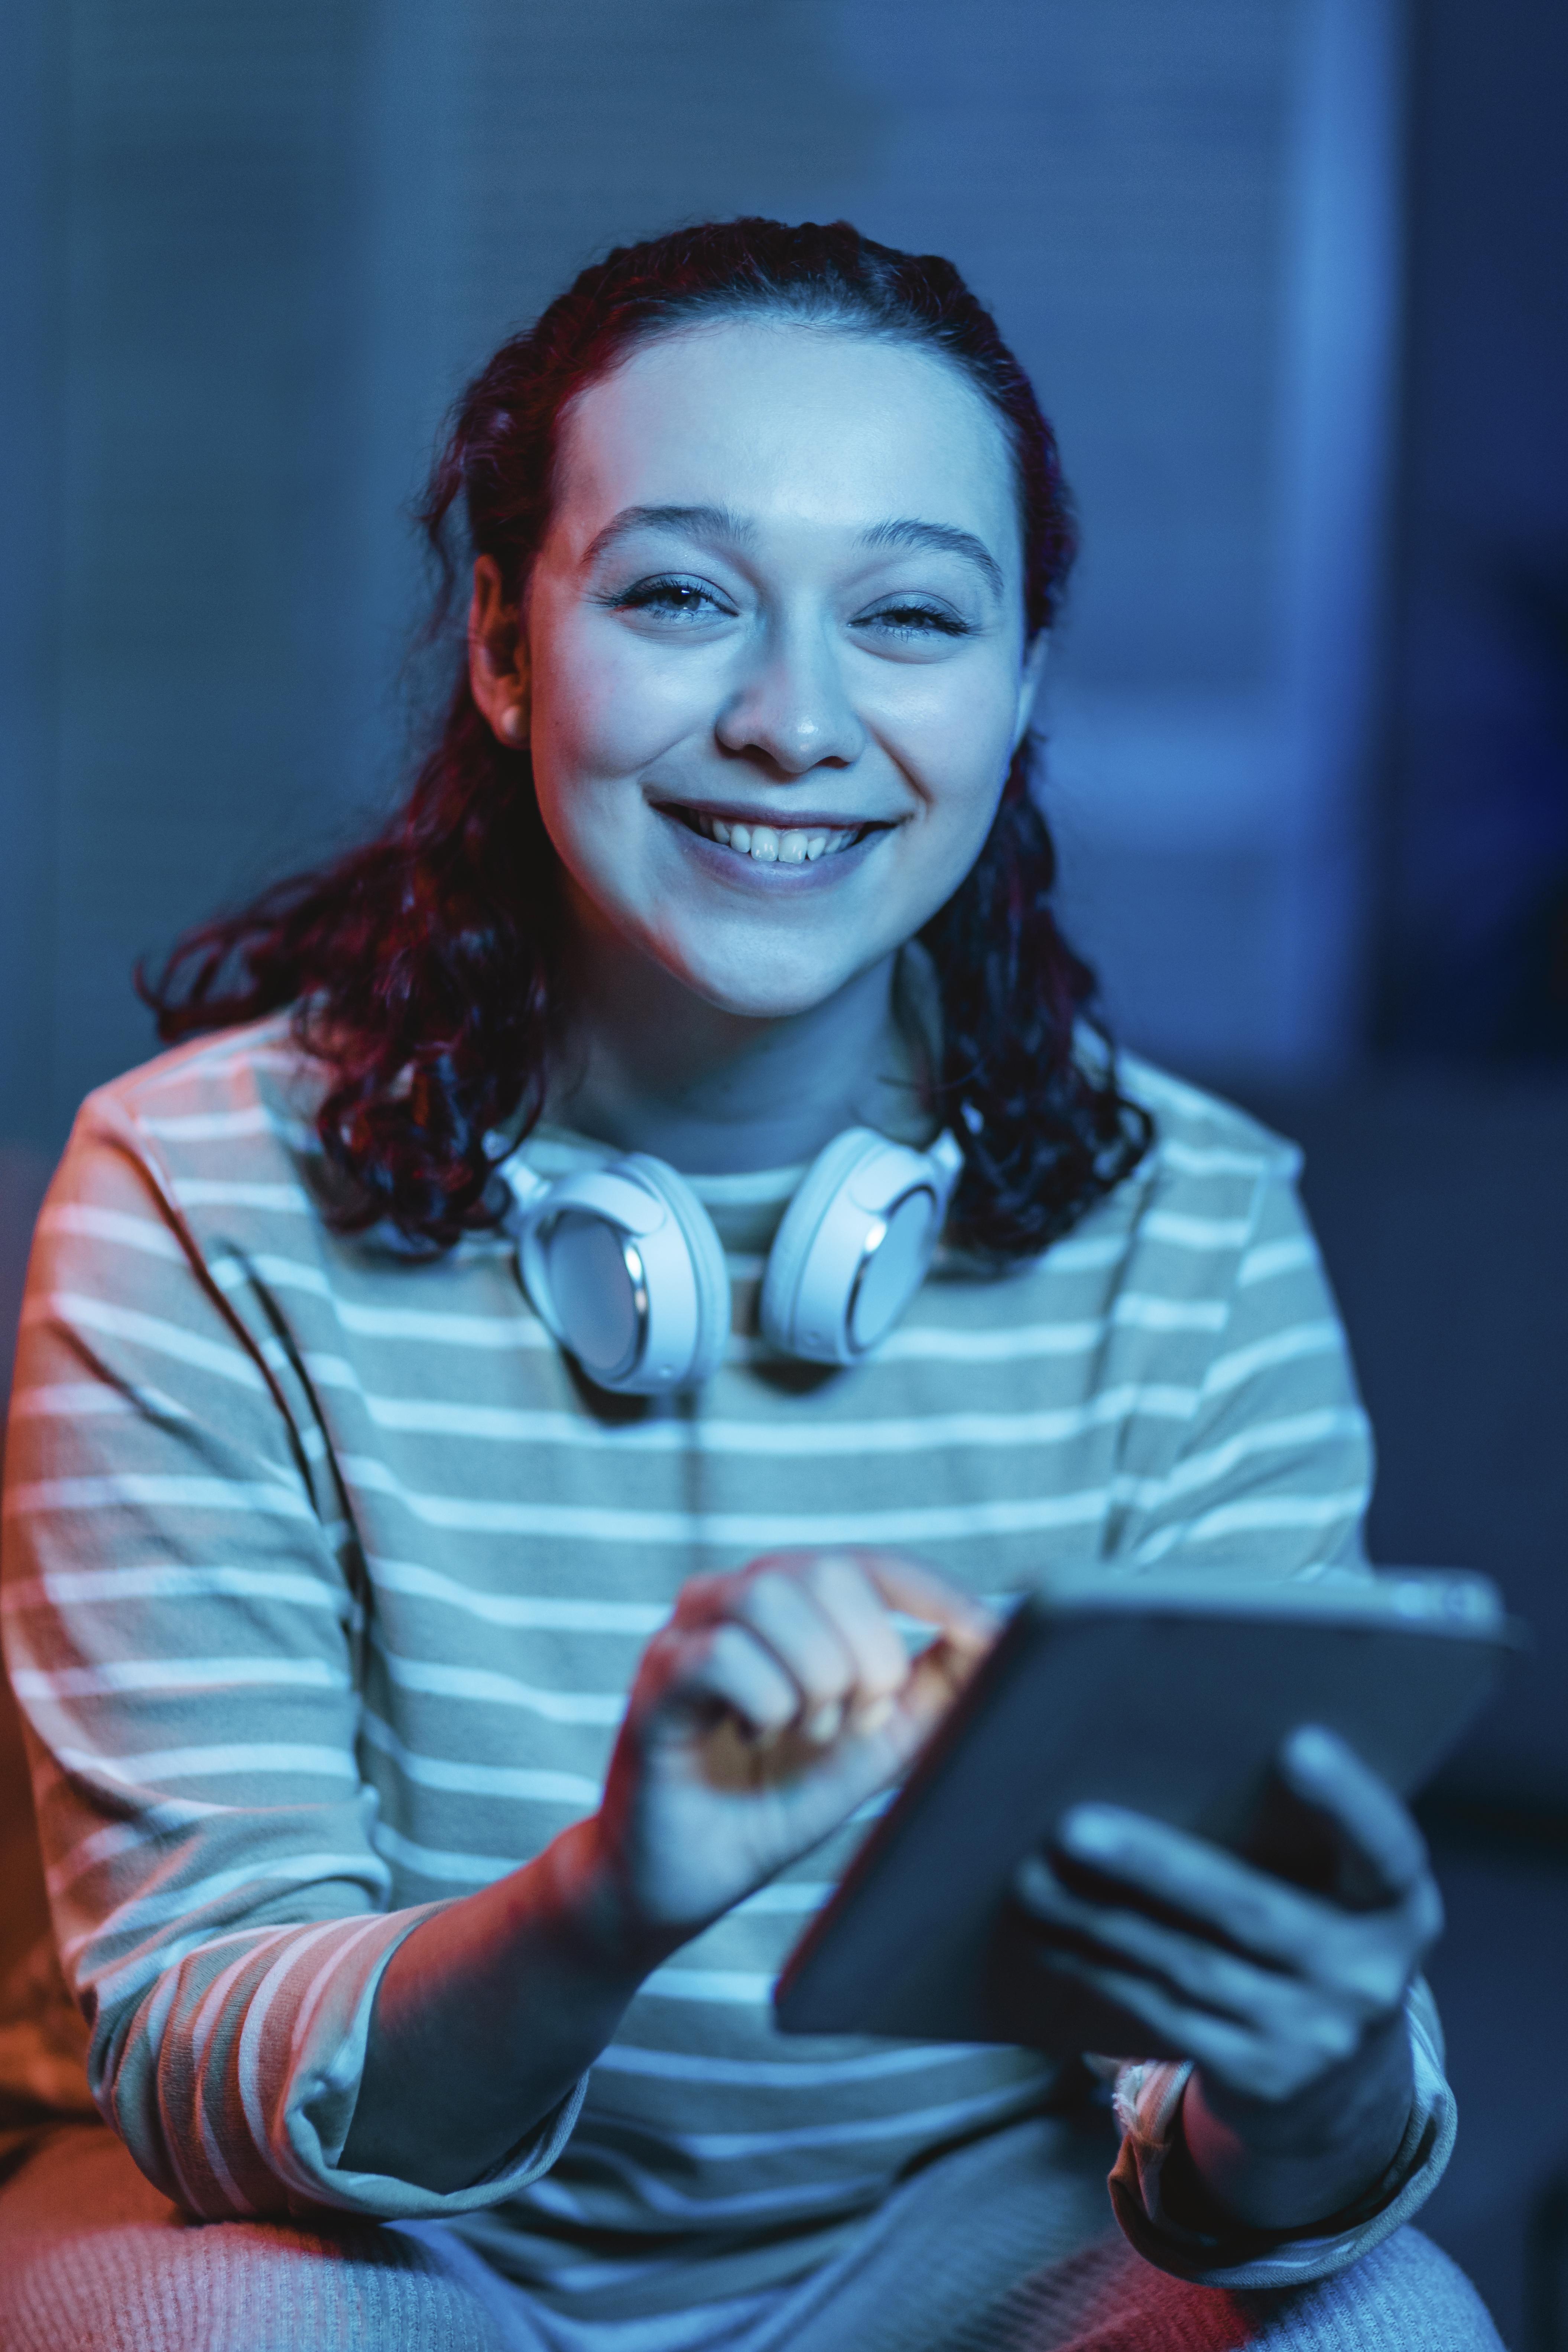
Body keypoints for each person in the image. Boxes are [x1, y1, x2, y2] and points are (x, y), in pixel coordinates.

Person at [0, 219, 1499, 2351]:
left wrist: (1312, 2078)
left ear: (1020, 691)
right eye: (684, 595)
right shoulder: (193, 1190)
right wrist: (602, 1904)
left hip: (966, 2240)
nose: (796, 721)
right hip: (372, 2247)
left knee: (1392, 2320)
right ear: (509, 649)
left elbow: (1246, 2152)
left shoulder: (1196, 1227)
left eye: (908, 618)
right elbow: (201, 2050)